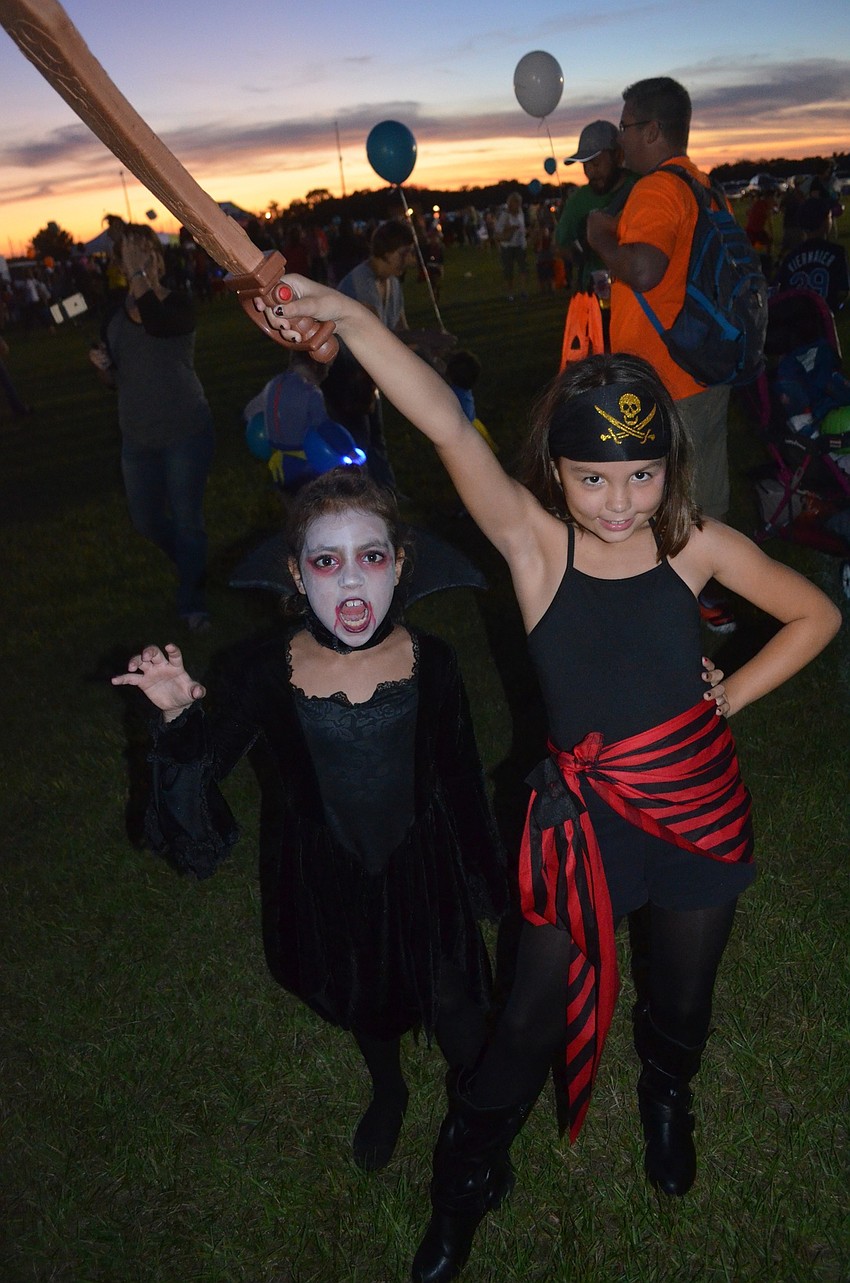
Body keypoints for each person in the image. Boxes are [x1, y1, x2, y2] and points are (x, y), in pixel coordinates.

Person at [265, 276, 841, 1281]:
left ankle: (667, 1093)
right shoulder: (536, 548)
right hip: (582, 824)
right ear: (557, 473)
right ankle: (467, 1177)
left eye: (642, 475)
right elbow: (445, 424)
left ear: (670, 468)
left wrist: (730, 696)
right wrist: (352, 318)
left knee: (683, 996)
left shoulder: (695, 545)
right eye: (593, 479)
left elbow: (816, 614)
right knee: (526, 1019)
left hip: (696, 808)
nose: (620, 502)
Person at [112, 466, 507, 1175]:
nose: (351, 579)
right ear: (296, 574)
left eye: (371, 556)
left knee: (460, 1008)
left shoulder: (435, 662)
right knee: (366, 996)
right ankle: (388, 1087)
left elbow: (461, 776)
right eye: (327, 561)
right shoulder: (264, 670)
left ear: (400, 566)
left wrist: (487, 880)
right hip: (328, 874)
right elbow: (202, 775)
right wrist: (175, 717)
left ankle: (478, 1126)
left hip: (425, 869)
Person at [586, 77, 742, 633]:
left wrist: (601, 237)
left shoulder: (656, 189)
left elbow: (647, 268)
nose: (620, 138)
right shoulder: (703, 186)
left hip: (666, 378)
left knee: (656, 501)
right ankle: (712, 595)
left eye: (626, 126)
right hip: (705, 363)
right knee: (706, 496)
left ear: (652, 130)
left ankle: (673, 606)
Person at [90, 223, 214, 631]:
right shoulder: (113, 315)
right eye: (132, 253)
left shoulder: (178, 304)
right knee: (146, 521)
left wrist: (139, 274)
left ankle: (192, 601)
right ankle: (192, 564)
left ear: (158, 260)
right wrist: (102, 368)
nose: (140, 259)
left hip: (185, 431)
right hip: (137, 439)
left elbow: (157, 323)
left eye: (147, 252)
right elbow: (115, 377)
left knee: (187, 520)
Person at [555, 120, 636, 299]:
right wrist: (581, 253)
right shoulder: (578, 201)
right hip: (598, 298)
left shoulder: (642, 185)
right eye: (585, 165)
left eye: (596, 163)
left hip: (639, 296)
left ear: (618, 155)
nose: (591, 172)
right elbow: (561, 243)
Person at [774, 197, 849, 314]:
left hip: (797, 317)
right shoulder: (836, 252)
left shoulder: (790, 257)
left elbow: (781, 291)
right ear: (825, 222)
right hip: (824, 317)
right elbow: (843, 291)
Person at [494, 193, 529, 300]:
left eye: (519, 203)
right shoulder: (505, 215)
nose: (518, 205)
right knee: (509, 270)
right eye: (516, 203)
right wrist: (510, 229)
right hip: (508, 246)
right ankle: (510, 293)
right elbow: (498, 231)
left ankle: (523, 290)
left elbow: (522, 228)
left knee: (523, 268)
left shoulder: (520, 213)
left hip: (520, 244)